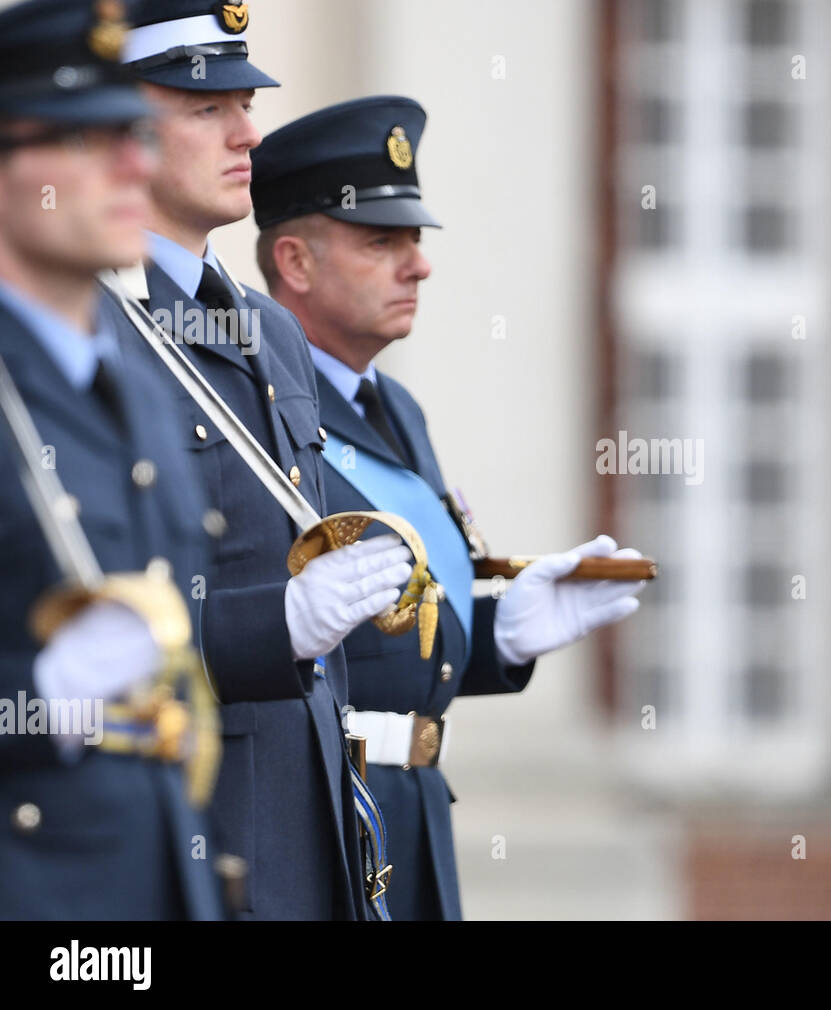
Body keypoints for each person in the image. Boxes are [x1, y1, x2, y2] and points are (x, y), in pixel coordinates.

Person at [249, 95, 646, 919]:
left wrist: (495, 636)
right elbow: (283, 635)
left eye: (416, 241)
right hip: (319, 812)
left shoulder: (394, 408)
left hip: (414, 811)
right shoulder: (251, 409)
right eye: (380, 242)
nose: (418, 265)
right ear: (294, 261)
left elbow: (390, 631)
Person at [107, 0, 412, 919]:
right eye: (207, 108)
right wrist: (265, 629)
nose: (248, 132)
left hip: (308, 823)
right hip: (193, 831)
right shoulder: (92, 325)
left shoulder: (267, 329)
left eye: (244, 100)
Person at [0, 0, 221, 919]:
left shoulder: (139, 372)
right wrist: (34, 693)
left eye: (134, 133)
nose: (136, 165)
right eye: (89, 140)